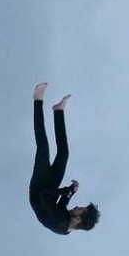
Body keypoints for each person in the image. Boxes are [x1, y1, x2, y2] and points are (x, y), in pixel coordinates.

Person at [29, 82, 100, 235]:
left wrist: (65, 191)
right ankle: (58, 111)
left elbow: (44, 197)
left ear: (78, 219)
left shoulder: (59, 222)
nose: (77, 207)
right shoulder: (67, 223)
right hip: (50, 190)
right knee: (64, 153)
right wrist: (70, 192)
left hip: (39, 191)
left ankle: (37, 100)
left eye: (80, 209)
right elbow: (61, 205)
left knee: (43, 148)